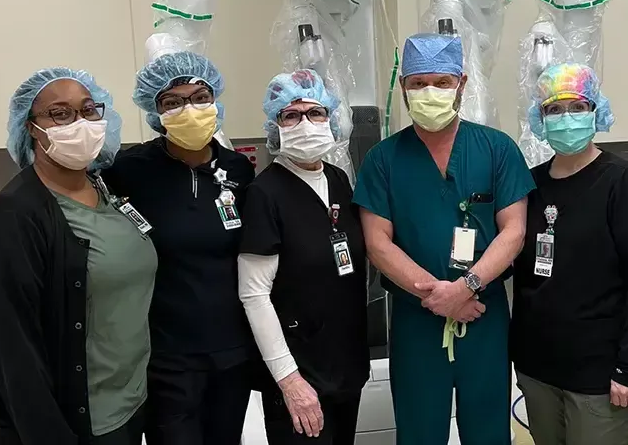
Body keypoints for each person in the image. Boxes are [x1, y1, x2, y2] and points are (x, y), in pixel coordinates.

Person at [354, 33, 535, 445]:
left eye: (441, 82)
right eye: (418, 83)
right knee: (419, 432)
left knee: (488, 431)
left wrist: (467, 287)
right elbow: (378, 243)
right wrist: (438, 295)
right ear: (403, 88)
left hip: (483, 315)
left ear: (462, 84)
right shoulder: (384, 159)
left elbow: (515, 231)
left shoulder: (497, 149)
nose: (429, 92)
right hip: (416, 318)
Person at [0, 68, 156, 445]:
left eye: (89, 110)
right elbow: (14, 349)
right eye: (60, 113)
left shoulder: (104, 189)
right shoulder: (16, 215)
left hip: (131, 402)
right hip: (77, 419)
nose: (80, 123)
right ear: (30, 128)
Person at [101, 51, 263, 445]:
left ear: (216, 101)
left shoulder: (238, 171)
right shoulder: (129, 171)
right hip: (165, 353)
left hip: (231, 350)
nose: (189, 109)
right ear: (154, 112)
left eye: (200, 96)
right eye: (172, 102)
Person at [510, 63, 628, 445]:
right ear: (539, 118)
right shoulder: (529, 185)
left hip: (600, 372)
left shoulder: (621, 181)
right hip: (538, 367)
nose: (566, 118)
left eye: (578, 107)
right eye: (554, 109)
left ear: (596, 111)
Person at [239, 70, 369, 445]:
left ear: (331, 118)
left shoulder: (338, 180)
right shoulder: (265, 193)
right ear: (275, 126)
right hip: (299, 370)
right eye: (291, 115)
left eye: (315, 113)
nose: (305, 123)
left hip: (344, 362)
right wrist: (289, 381)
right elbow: (254, 294)